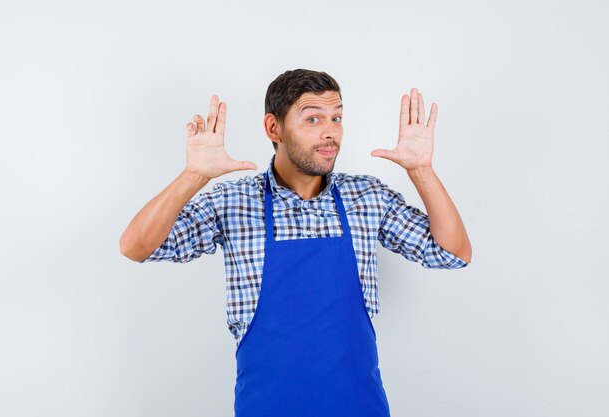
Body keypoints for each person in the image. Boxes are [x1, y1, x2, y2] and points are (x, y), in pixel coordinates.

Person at [120, 69, 472, 417]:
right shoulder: (234, 202)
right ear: (274, 128)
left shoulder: (366, 197)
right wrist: (193, 176)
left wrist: (421, 171)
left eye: (337, 118)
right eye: (313, 119)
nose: (331, 132)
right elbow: (137, 246)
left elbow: (453, 253)